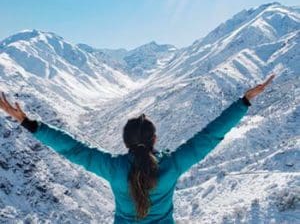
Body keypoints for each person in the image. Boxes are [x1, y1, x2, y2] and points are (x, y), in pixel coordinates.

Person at [0, 74, 275, 223]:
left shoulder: (114, 168)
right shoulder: (171, 166)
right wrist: (244, 102)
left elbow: (73, 149)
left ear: (126, 142)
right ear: (154, 140)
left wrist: (27, 122)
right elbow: (209, 136)